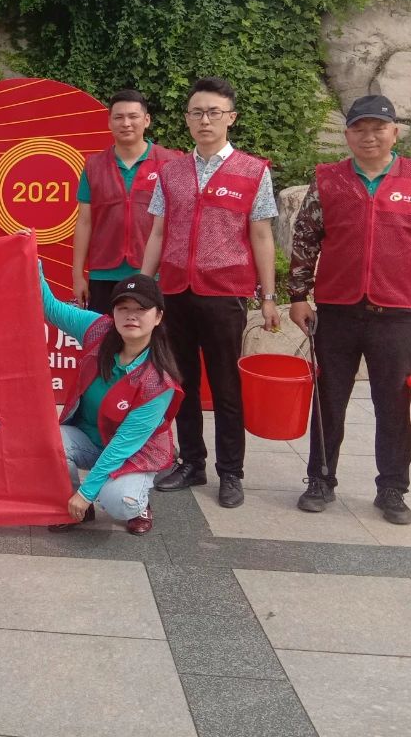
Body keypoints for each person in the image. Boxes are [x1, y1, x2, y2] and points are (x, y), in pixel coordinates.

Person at [287, 95, 411, 525]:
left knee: (393, 403)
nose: (369, 136)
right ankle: (320, 479)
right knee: (329, 400)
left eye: (378, 128)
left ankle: (392, 488)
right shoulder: (328, 180)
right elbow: (305, 238)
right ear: (347, 135)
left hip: (396, 312)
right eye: (359, 129)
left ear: (394, 132)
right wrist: (298, 295)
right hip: (337, 310)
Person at [140, 77, 281, 508]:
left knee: (225, 386)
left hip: (225, 292)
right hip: (176, 291)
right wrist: (144, 288)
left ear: (230, 118)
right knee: (180, 380)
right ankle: (192, 462)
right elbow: (158, 232)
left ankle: (231, 472)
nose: (205, 120)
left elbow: (261, 235)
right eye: (197, 112)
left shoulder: (253, 171)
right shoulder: (171, 172)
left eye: (214, 112)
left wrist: (269, 296)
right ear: (187, 119)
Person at [42, 271, 182, 535]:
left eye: (141, 309)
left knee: (118, 501)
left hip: (132, 453)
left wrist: (87, 493)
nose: (131, 316)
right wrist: (30, 260)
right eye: (123, 308)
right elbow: (50, 309)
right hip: (91, 440)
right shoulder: (98, 329)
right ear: (113, 313)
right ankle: (78, 510)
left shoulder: (158, 381)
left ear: (158, 317)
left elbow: (122, 446)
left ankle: (138, 502)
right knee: (47, 442)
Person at [73, 90, 180, 312]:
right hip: (104, 273)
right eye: (119, 117)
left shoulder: (169, 163)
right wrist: (77, 275)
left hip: (155, 273)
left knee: (155, 333)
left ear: (146, 120)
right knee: (103, 331)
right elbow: (84, 222)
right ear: (109, 122)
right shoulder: (94, 166)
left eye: (133, 116)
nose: (126, 123)